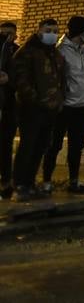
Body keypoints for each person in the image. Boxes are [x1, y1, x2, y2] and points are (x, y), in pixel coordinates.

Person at [10, 18, 66, 201]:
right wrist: (33, 99)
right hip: (31, 109)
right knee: (28, 145)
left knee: (41, 147)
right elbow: (21, 80)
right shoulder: (27, 52)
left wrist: (59, 100)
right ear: (40, 30)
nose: (52, 34)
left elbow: (60, 79)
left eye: (55, 30)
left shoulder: (55, 54)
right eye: (48, 30)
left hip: (50, 109)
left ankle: (30, 183)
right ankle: (19, 184)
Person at [42, 16, 84, 194]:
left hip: (83, 106)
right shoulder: (61, 51)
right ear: (80, 32)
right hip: (64, 107)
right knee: (54, 144)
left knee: (77, 145)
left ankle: (74, 181)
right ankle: (46, 182)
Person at [0, 21, 18, 199]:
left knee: (5, 145)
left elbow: (22, 77)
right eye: (3, 33)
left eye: (10, 34)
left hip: (10, 106)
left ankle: (5, 181)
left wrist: (9, 80)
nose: (6, 37)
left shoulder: (18, 52)